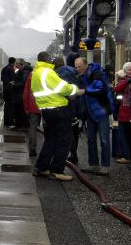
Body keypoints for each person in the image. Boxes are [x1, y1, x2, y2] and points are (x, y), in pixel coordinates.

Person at [32, 51, 85, 181]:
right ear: (48, 59)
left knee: (50, 139)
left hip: (47, 110)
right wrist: (77, 90)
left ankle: (42, 167)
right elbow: (63, 88)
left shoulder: (36, 73)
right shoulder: (47, 72)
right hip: (58, 109)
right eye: (51, 58)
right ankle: (57, 170)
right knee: (64, 140)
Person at [81, 61, 114, 175]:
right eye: (76, 66)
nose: (77, 68)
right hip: (90, 112)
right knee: (90, 139)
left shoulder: (97, 74)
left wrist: (85, 91)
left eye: (79, 66)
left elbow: (100, 91)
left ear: (86, 65)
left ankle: (105, 166)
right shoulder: (84, 75)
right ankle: (93, 164)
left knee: (104, 139)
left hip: (101, 111)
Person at [113, 64, 131, 165]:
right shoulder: (124, 81)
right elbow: (116, 89)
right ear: (125, 71)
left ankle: (129, 156)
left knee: (128, 137)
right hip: (124, 112)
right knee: (125, 136)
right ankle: (128, 155)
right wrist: (127, 81)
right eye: (130, 69)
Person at [22, 63, 40, 156]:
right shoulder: (51, 73)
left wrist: (26, 107)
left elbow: (26, 92)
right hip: (48, 105)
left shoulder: (32, 75)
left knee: (32, 127)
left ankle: (32, 149)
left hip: (33, 106)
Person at [10, 59, 28, 129]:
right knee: (18, 111)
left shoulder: (23, 72)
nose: (15, 65)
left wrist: (14, 85)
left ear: (20, 64)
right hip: (18, 94)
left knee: (20, 111)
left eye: (16, 64)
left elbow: (23, 83)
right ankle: (19, 125)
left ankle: (22, 126)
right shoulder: (20, 71)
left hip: (20, 95)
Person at [1, 57, 16, 126]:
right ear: (14, 62)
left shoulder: (4, 69)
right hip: (10, 91)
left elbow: (2, 78)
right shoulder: (11, 69)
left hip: (5, 90)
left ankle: (6, 122)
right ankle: (10, 123)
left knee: (6, 106)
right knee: (10, 107)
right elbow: (13, 81)